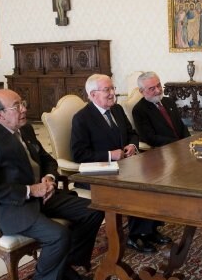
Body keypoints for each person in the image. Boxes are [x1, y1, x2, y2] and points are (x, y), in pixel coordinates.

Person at [0, 89, 104, 280]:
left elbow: (47, 159)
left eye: (22, 103)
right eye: (17, 106)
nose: (24, 109)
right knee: (58, 235)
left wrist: (49, 178)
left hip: (43, 195)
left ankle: (64, 265)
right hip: (9, 206)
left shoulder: (26, 129)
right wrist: (31, 190)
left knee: (94, 209)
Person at [71, 74, 171, 253]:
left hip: (125, 165)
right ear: (93, 95)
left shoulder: (116, 109)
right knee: (135, 187)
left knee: (154, 177)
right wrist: (110, 155)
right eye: (107, 90)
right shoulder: (82, 118)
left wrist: (132, 145)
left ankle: (150, 230)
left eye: (112, 88)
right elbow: (79, 154)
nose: (112, 93)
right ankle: (135, 236)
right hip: (99, 172)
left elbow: (132, 133)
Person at [132, 71, 190, 147]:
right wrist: (178, 143)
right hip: (164, 150)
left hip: (182, 145)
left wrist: (188, 141)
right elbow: (150, 138)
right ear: (142, 91)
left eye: (158, 85)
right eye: (152, 88)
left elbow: (182, 126)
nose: (158, 90)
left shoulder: (169, 101)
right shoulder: (139, 110)